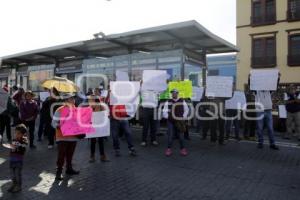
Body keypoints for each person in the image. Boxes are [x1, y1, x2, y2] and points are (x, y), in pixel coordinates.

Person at [52, 93, 80, 181]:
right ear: (66, 100)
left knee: (70, 155)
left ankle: (69, 169)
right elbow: (53, 123)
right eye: (71, 99)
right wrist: (59, 126)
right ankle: (58, 172)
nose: (73, 100)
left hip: (73, 137)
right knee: (61, 155)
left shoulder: (77, 110)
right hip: (62, 137)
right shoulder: (60, 110)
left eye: (73, 99)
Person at [107, 91, 137, 157]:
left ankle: (131, 148)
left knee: (128, 132)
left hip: (123, 116)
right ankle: (117, 149)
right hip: (114, 118)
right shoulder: (110, 94)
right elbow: (108, 102)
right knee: (115, 135)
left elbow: (131, 98)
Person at [162, 89, 189, 156]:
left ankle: (183, 149)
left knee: (181, 136)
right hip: (170, 121)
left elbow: (186, 110)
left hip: (179, 121)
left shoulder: (182, 101)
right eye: (172, 93)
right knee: (170, 136)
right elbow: (164, 111)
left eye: (175, 93)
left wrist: (183, 117)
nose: (174, 94)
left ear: (177, 93)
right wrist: (167, 117)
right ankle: (169, 149)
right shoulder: (168, 101)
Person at [88, 94, 110, 162]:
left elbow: (106, 115)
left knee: (101, 141)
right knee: (93, 141)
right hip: (93, 127)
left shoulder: (101, 106)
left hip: (100, 126)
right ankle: (92, 156)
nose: (90, 101)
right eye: (90, 100)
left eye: (91, 99)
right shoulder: (90, 107)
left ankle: (102, 156)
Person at [7, 124, 28, 193]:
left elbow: (23, 148)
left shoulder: (24, 141)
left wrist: (18, 145)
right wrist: (12, 148)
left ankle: (19, 186)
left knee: (17, 174)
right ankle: (14, 184)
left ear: (23, 134)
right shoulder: (14, 140)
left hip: (18, 161)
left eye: (18, 133)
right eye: (15, 132)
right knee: (12, 174)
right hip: (12, 160)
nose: (16, 134)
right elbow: (12, 149)